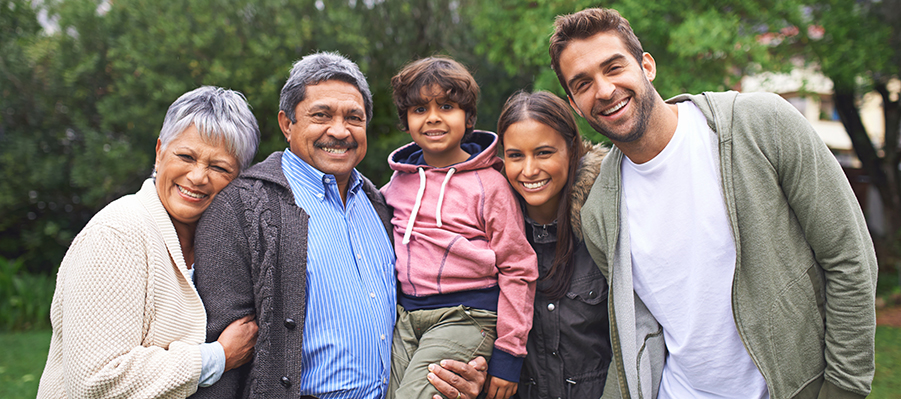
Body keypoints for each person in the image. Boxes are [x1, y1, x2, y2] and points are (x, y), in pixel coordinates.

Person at [549, 7, 878, 399]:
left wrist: (843, 387)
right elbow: (640, 331)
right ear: (574, 103)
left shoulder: (760, 125)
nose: (604, 90)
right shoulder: (599, 212)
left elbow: (849, 258)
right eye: (583, 83)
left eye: (614, 67)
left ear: (647, 66)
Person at [192, 52, 487, 399]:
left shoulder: (383, 204)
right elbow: (223, 358)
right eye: (321, 115)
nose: (339, 131)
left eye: (353, 118)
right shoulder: (241, 208)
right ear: (287, 124)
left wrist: (460, 375)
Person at [37, 86, 261, 398]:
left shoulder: (222, 245)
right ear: (159, 152)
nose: (198, 176)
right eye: (186, 156)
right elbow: (95, 382)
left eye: (219, 167)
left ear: (238, 180)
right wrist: (217, 357)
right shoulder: (115, 234)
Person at [382, 56, 538, 399]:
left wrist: (509, 353)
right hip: (407, 317)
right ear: (406, 121)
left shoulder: (490, 185)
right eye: (419, 109)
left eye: (446, 106)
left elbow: (518, 267)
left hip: (467, 316)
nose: (433, 117)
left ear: (468, 118)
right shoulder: (397, 184)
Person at [497, 90, 612, 399]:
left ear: (572, 150)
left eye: (544, 153)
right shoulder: (491, 237)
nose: (529, 170)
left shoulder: (607, 224)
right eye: (516, 156)